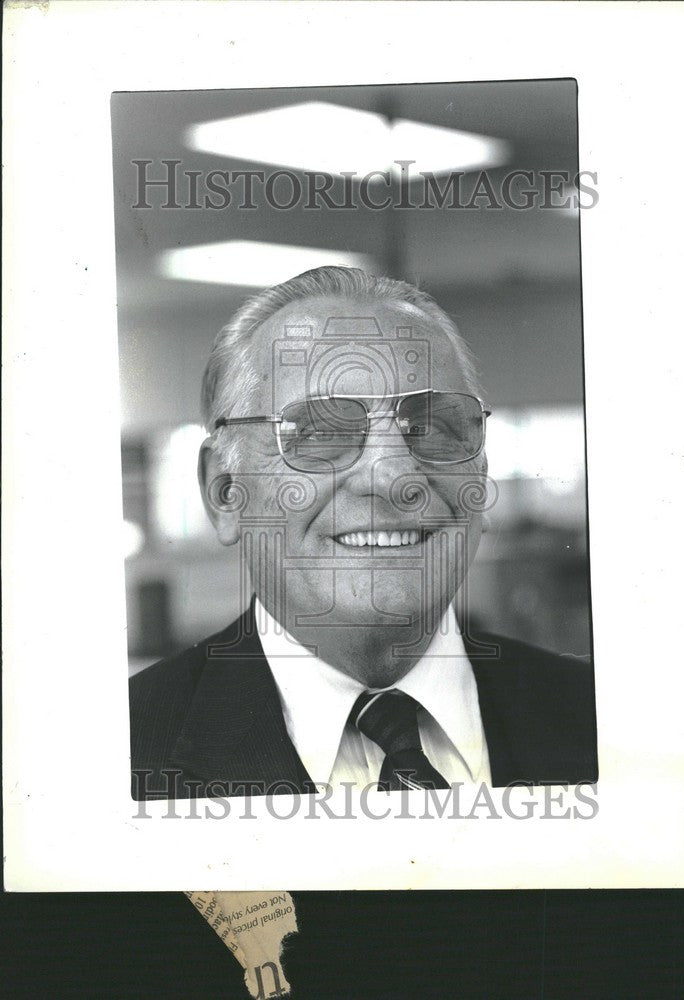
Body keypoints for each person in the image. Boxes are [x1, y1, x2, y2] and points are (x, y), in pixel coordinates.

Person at [130, 266, 597, 799]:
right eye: (321, 432)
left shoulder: (611, 720)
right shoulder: (116, 756)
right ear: (225, 491)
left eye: (434, 427)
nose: (394, 476)